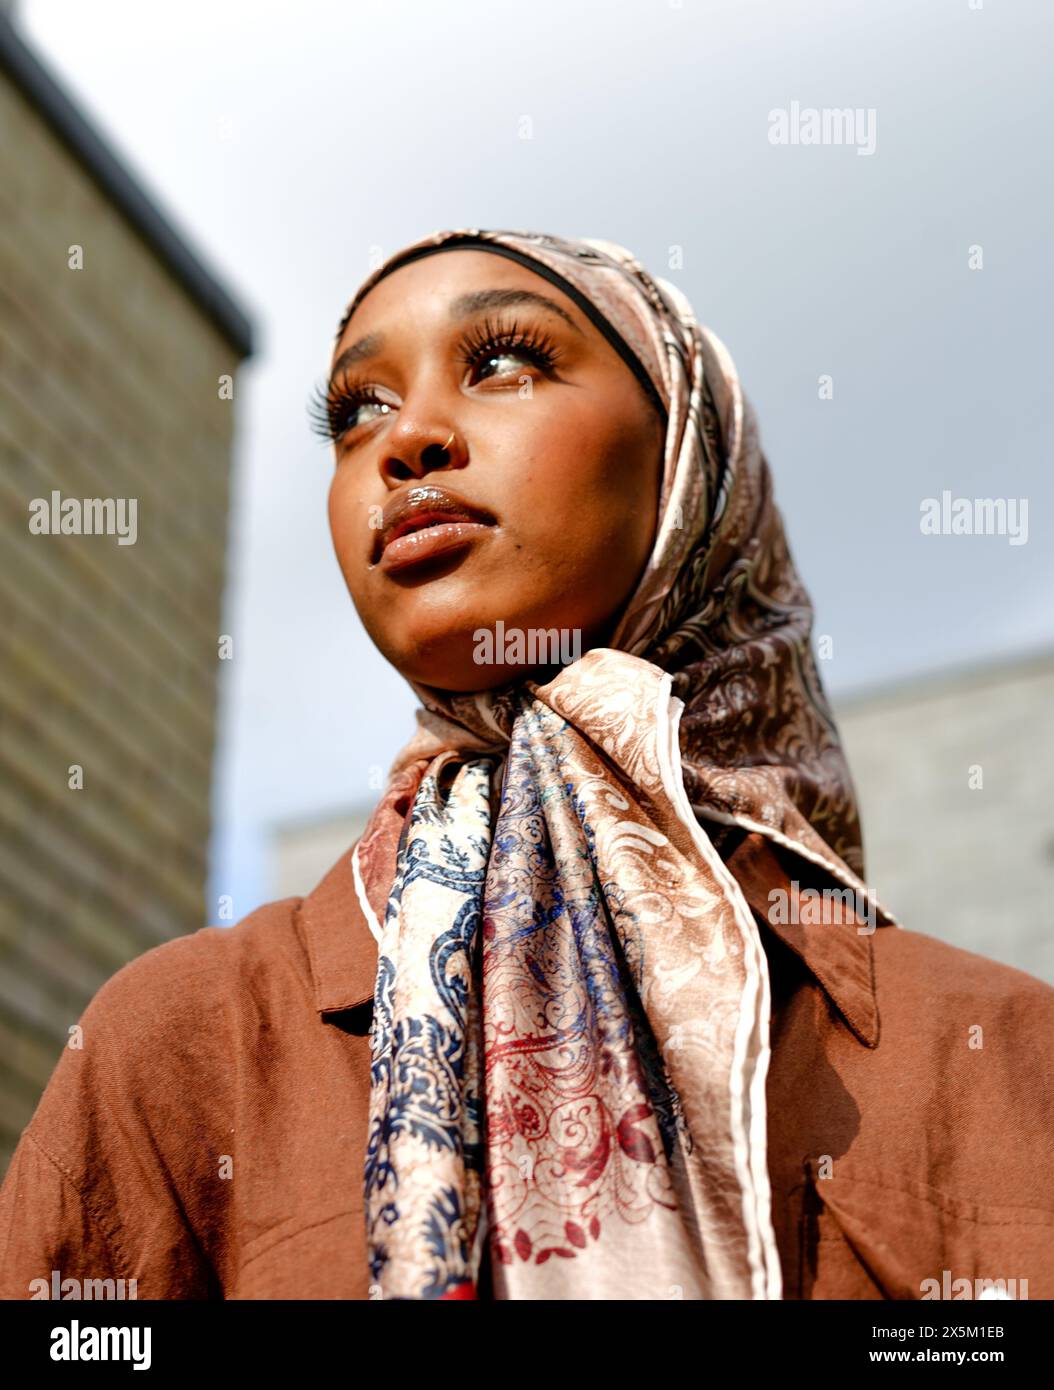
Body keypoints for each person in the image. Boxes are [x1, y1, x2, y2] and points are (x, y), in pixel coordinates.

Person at [2, 227, 1051, 1302]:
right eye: (357, 410)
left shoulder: (1002, 1055)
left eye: (505, 361)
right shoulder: (187, 1048)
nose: (405, 438)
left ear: (689, 455)